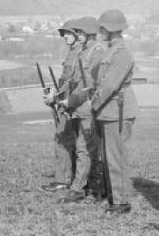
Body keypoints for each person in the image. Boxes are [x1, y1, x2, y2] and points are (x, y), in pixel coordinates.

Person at [71, 9, 138, 214]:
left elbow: (109, 85)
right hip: (107, 110)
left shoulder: (121, 53)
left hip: (116, 110)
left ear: (110, 29)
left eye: (102, 28)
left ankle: (120, 201)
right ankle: (112, 196)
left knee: (115, 157)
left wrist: (93, 104)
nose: (99, 31)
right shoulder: (110, 50)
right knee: (108, 157)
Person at [58, 16, 106, 203]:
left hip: (88, 105)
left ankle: (79, 188)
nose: (77, 35)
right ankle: (94, 185)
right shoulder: (83, 51)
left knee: (84, 148)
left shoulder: (97, 51)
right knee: (87, 148)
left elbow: (89, 83)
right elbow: (74, 80)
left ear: (89, 33)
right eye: (76, 32)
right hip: (80, 105)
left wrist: (71, 101)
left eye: (80, 32)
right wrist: (63, 98)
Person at [41, 19, 81, 192]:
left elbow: (72, 81)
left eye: (69, 33)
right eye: (63, 33)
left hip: (72, 101)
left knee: (63, 138)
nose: (65, 36)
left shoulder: (78, 52)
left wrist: (55, 98)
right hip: (67, 100)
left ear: (78, 34)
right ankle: (70, 176)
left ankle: (63, 179)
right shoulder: (74, 52)